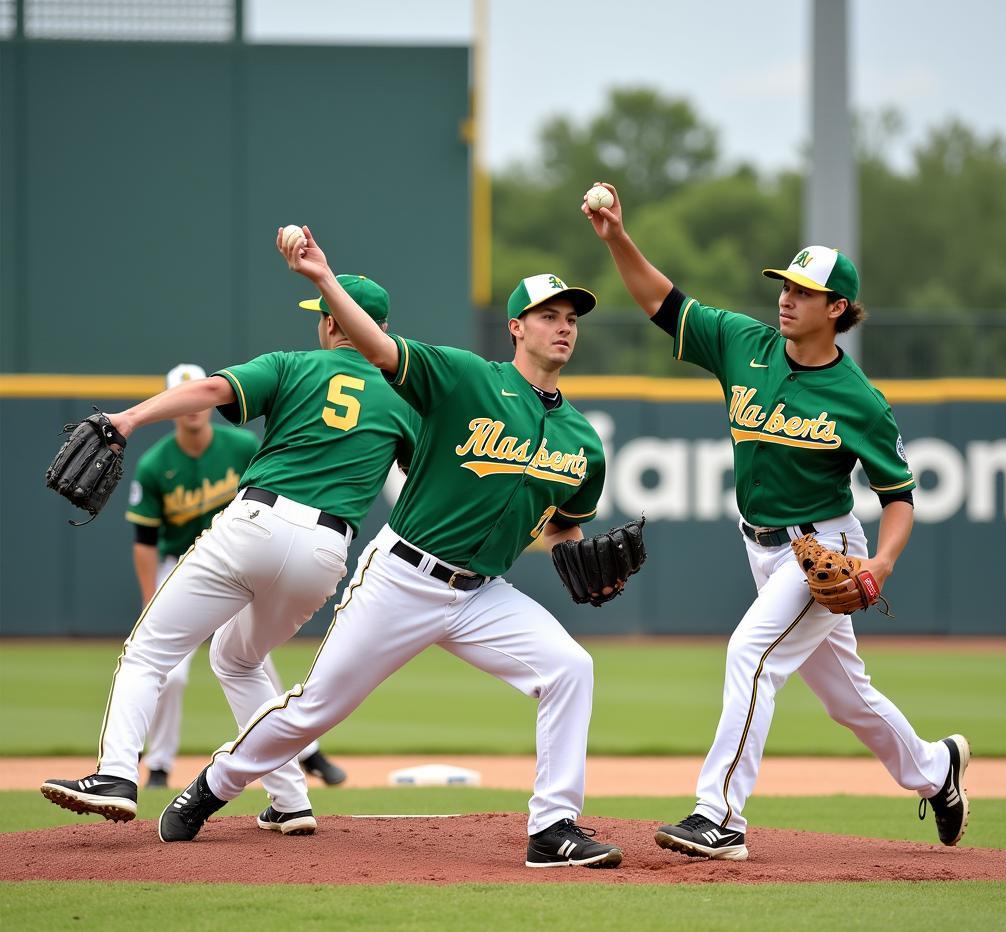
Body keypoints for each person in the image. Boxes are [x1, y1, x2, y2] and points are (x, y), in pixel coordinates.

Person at [157, 224, 625, 869]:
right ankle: (212, 786)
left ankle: (552, 829)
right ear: (516, 326)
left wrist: (581, 558)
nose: (564, 327)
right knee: (315, 709)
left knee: (570, 669)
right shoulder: (463, 378)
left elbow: (562, 528)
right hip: (402, 577)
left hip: (482, 593)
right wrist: (323, 278)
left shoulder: (582, 439)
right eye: (548, 315)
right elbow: (379, 348)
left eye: (571, 317)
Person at [584, 182, 969, 861]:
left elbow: (901, 496)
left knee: (750, 654)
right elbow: (661, 303)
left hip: (824, 546)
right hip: (759, 546)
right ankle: (938, 770)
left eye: (803, 291)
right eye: (784, 286)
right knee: (850, 700)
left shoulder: (858, 400)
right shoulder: (742, 343)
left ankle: (720, 816)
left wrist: (879, 565)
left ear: (837, 308)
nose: (786, 298)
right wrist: (617, 237)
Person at [41, 275, 418, 835]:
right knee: (240, 659)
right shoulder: (408, 399)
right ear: (383, 328)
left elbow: (212, 391)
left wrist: (127, 420)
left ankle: (117, 775)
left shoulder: (294, 364)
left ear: (334, 321)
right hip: (325, 550)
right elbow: (426, 481)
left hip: (257, 524)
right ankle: (290, 799)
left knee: (149, 653)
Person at [127, 363, 347, 789]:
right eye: (182, 395)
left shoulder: (240, 446)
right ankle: (158, 764)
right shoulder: (156, 464)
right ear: (174, 402)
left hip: (244, 555)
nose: (193, 408)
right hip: (184, 561)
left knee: (253, 662)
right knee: (172, 673)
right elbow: (144, 541)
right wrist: (149, 596)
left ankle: (307, 754)